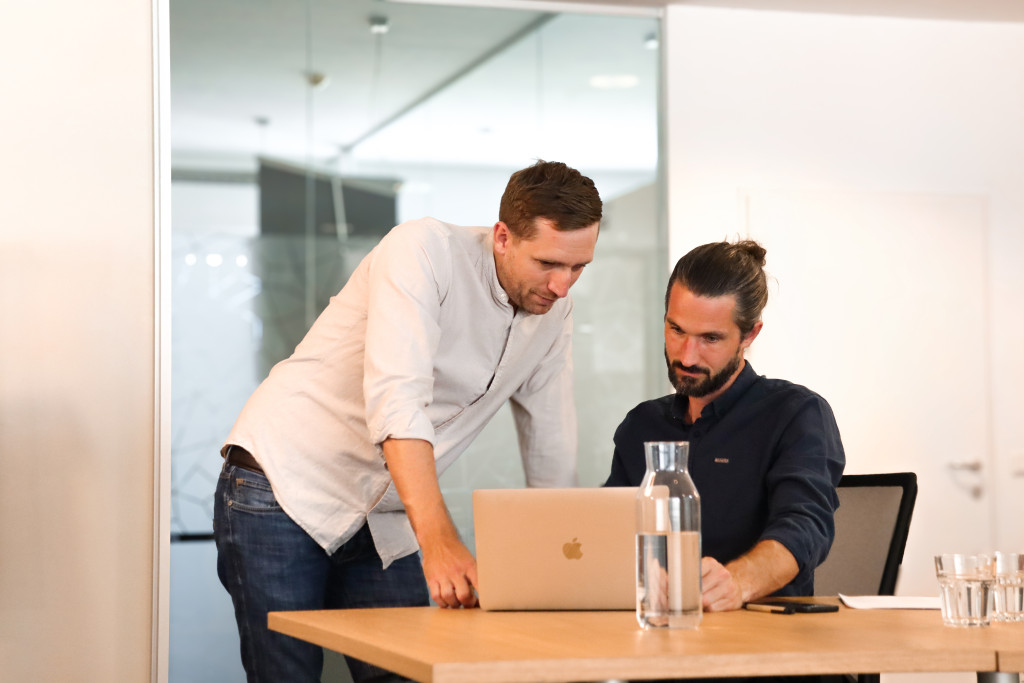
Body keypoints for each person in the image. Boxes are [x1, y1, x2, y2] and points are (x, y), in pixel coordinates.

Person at [214, 160, 603, 683]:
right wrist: (440, 543)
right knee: (287, 675)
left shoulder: (555, 314)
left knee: (409, 674)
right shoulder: (422, 250)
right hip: (283, 486)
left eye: (578, 268)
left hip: (388, 517)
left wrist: (566, 577)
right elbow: (399, 401)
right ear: (504, 237)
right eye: (549, 264)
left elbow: (551, 441)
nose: (562, 286)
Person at [604, 239, 845, 611]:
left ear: (749, 335)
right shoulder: (642, 424)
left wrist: (738, 582)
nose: (687, 355)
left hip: (762, 645)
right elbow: (606, 531)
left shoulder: (795, 414)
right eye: (676, 330)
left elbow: (805, 528)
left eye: (710, 339)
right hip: (654, 637)